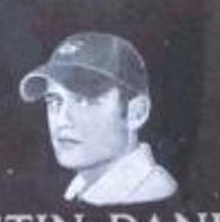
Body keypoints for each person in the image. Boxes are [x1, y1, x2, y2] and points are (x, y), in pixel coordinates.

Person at [19, 32, 178, 206]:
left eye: (85, 101)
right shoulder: (80, 190)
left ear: (137, 113)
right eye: (54, 101)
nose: (62, 120)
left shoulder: (152, 193)